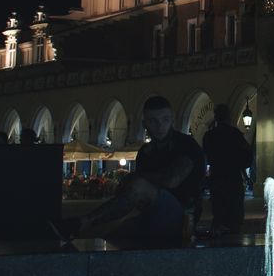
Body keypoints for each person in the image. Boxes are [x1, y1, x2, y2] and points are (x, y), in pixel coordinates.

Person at [70, 95, 204, 247]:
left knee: (139, 186)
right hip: (151, 214)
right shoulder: (145, 153)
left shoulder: (185, 145)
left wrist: (136, 178)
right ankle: (80, 229)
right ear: (144, 123)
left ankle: (83, 222)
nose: (160, 126)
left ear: (172, 120)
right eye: (153, 121)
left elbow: (172, 180)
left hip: (183, 216)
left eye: (165, 120)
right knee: (114, 235)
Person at [202, 104, 252, 236]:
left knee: (218, 214)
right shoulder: (235, 134)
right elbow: (247, 155)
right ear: (228, 117)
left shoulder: (209, 136)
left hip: (217, 179)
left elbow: (206, 156)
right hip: (233, 179)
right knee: (235, 216)